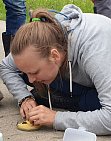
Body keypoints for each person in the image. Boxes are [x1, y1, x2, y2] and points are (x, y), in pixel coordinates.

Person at [0, 4, 111, 135]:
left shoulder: (94, 51)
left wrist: (56, 118)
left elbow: (109, 118)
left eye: (34, 72)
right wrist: (25, 97)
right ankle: (60, 96)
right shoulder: (38, 41)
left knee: (94, 103)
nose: (30, 80)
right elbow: (6, 66)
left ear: (54, 55)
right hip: (81, 76)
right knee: (24, 74)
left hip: (100, 75)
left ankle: (72, 100)